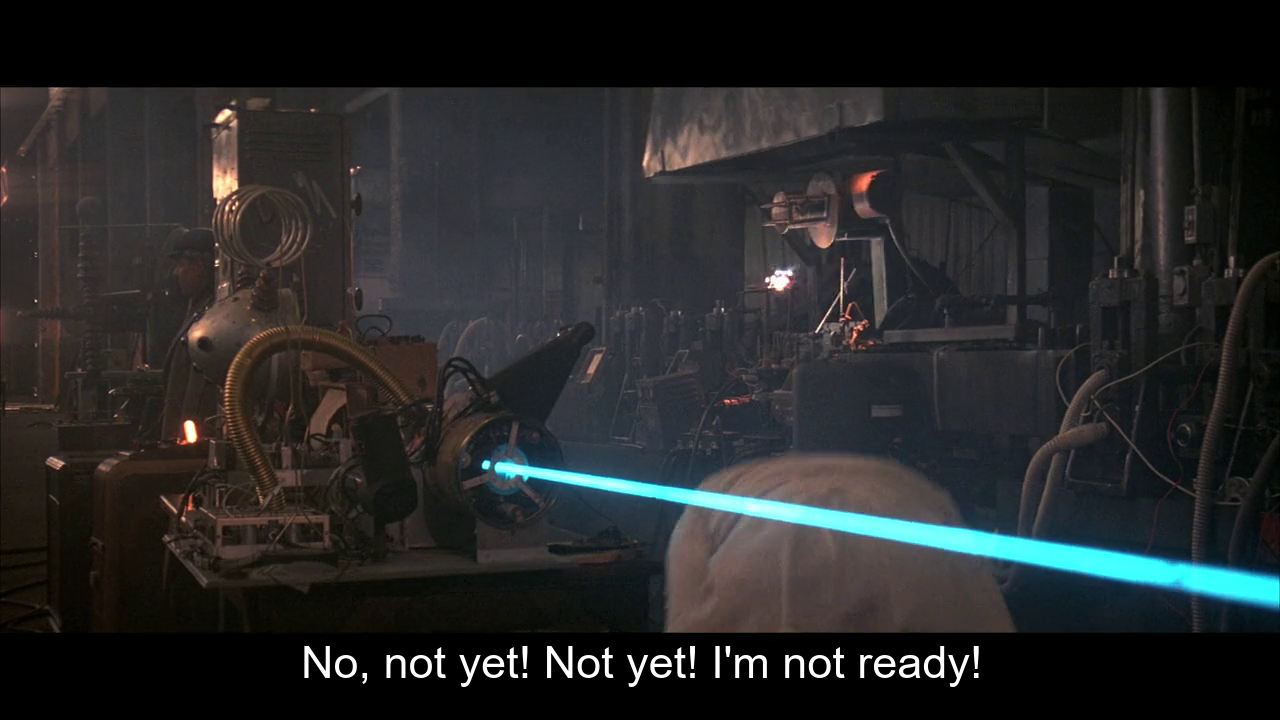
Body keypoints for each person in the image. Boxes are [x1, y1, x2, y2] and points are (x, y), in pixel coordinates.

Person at [664, 452, 1017, 632]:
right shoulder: (916, 489)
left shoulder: (710, 499)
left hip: (761, 544)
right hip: (912, 525)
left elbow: (690, 620)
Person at [157, 227, 220, 443]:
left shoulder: (211, 320)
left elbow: (197, 394)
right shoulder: (196, 312)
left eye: (181, 264)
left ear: (199, 265)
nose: (176, 273)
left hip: (198, 441)